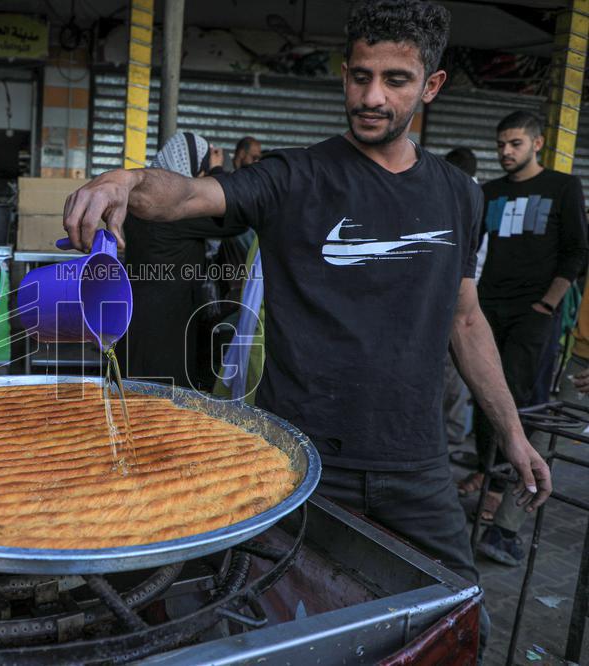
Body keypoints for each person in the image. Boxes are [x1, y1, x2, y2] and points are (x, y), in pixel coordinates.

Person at [62, 0, 551, 601]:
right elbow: (186, 196)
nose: (372, 96)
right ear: (344, 75)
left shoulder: (459, 195)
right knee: (271, 612)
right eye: (360, 76)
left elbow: (467, 320)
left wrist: (513, 435)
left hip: (417, 462)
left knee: (457, 609)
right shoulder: (294, 177)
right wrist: (128, 180)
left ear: (431, 85)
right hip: (298, 455)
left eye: (395, 80)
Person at [466, 111, 588, 564]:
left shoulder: (562, 187)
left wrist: (548, 304)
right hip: (487, 308)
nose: (505, 151)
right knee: (483, 392)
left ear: (537, 144)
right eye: (501, 144)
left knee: (519, 395)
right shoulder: (489, 192)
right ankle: (489, 473)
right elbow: (469, 248)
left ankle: (505, 485)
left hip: (534, 313)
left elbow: (577, 250)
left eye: (515, 143)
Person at [120, 131, 241, 388]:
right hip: (164, 329)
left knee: (134, 395)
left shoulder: (140, 200)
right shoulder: (174, 210)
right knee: (159, 400)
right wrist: (217, 172)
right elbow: (234, 217)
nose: (201, 180)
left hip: (136, 319)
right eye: (200, 170)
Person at [442, 147, 478, 449]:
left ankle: (452, 436)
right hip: (453, 299)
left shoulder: (469, 201)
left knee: (455, 373)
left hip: (462, 300)